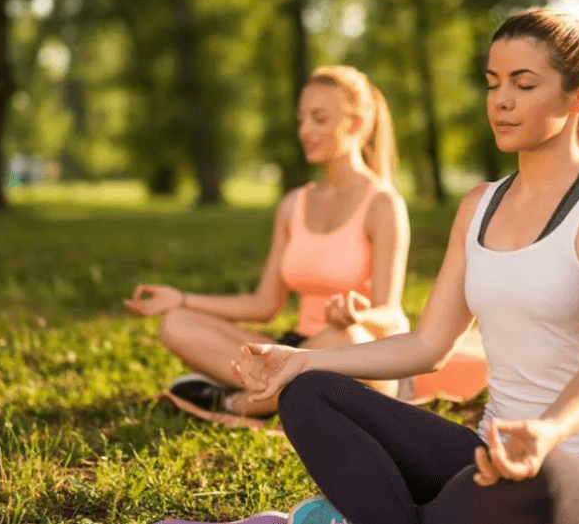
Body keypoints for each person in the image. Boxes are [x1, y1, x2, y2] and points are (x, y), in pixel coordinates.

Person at [234, 9, 579, 524]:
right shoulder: (479, 205)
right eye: (493, 83)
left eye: (523, 85)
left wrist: (547, 432)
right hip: (487, 459)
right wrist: (300, 360)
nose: (501, 100)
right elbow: (428, 345)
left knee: (534, 477)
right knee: (309, 393)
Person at [124, 65, 411, 417]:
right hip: (293, 350)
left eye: (318, 119)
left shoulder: (383, 204)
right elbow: (263, 304)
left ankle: (234, 402)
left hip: (358, 353)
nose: (305, 131)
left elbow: (392, 316)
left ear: (354, 125)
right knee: (176, 323)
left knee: (344, 339)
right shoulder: (294, 204)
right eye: (301, 119)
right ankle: (277, 394)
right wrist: (180, 298)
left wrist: (358, 314)